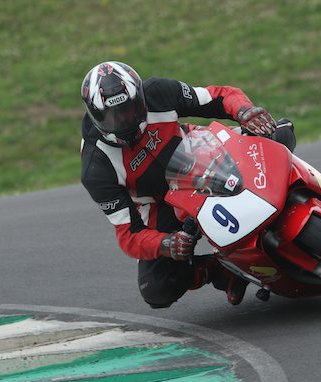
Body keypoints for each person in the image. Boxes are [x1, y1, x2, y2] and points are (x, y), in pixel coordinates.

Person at [80, 61, 294, 309]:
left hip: (202, 155)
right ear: (94, 115)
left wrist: (244, 111)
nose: (123, 121)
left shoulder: (158, 92)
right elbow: (129, 234)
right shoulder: (96, 167)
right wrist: (166, 244)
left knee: (280, 133)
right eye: (112, 117)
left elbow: (219, 96)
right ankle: (222, 270)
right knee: (156, 288)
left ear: (140, 98)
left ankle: (315, 191)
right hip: (162, 204)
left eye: (128, 110)